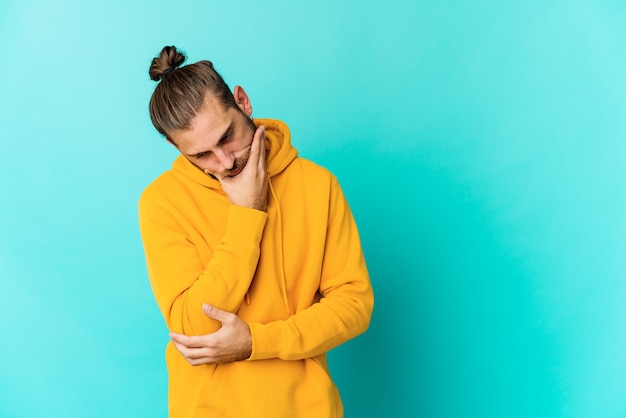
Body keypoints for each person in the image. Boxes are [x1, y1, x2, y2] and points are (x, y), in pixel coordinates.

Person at [138, 45, 374, 418]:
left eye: (227, 136)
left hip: (307, 409)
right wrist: (248, 213)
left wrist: (256, 342)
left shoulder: (318, 186)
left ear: (242, 101)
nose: (226, 162)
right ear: (174, 145)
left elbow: (354, 305)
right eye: (201, 155)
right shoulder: (162, 202)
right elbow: (190, 326)